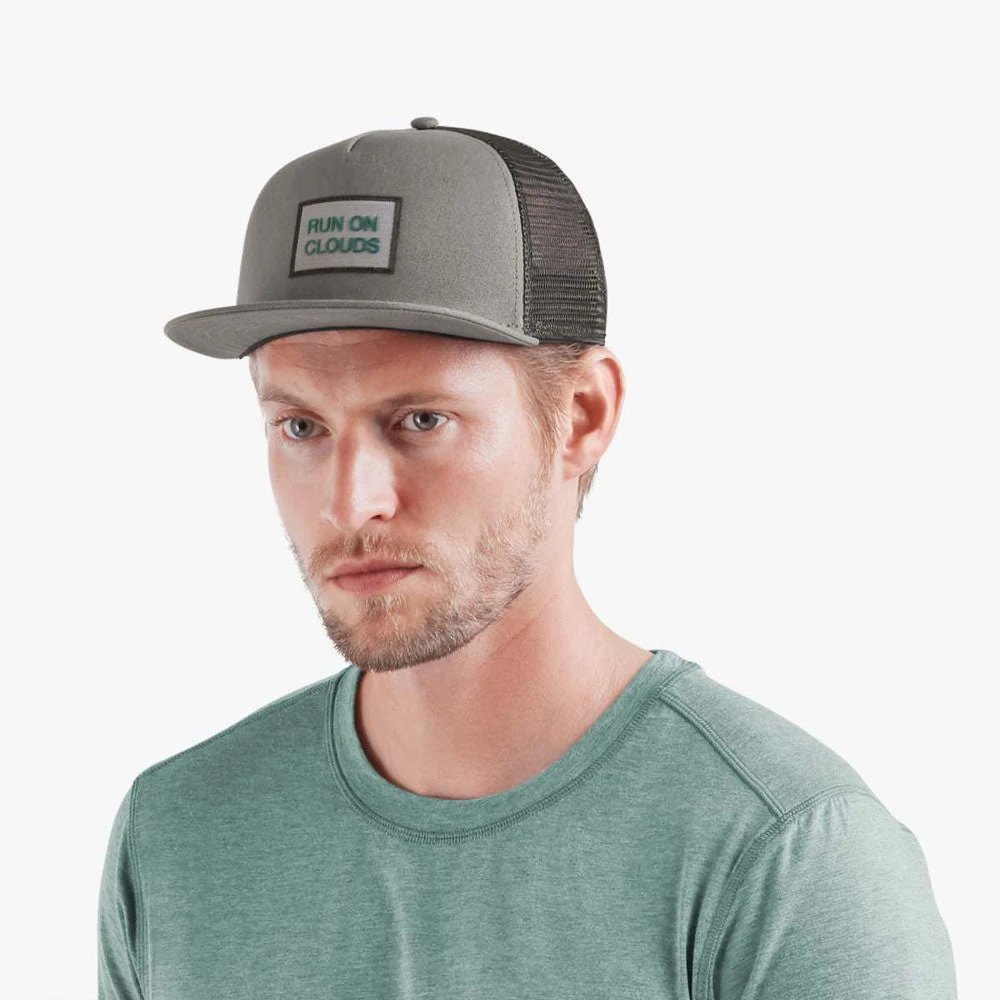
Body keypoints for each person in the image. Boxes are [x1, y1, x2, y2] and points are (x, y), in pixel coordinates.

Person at [97, 117, 958, 1000]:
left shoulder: (785, 856)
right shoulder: (176, 840)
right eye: (301, 427)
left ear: (582, 416)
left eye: (419, 420)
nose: (350, 503)